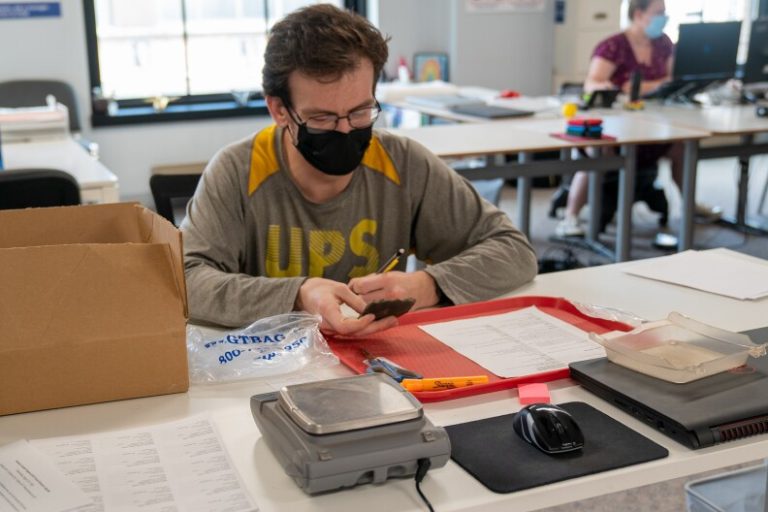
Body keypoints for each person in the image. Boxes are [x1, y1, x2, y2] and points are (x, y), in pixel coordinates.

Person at [181, 4, 537, 335]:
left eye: (360, 112)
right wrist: (298, 295)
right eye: (321, 118)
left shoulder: (404, 163)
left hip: (380, 363)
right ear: (279, 110)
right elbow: (185, 280)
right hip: (267, 364)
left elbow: (514, 251)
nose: (345, 130)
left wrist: (426, 285)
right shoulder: (238, 170)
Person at [554, 0, 721, 238]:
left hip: (653, 122)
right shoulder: (613, 46)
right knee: (597, 153)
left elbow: (672, 79)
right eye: (659, 13)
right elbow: (592, 83)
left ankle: (689, 205)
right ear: (639, 13)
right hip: (617, 124)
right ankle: (570, 217)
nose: (664, 17)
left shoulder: (663, 43)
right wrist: (613, 88)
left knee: (681, 148)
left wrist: (653, 86)